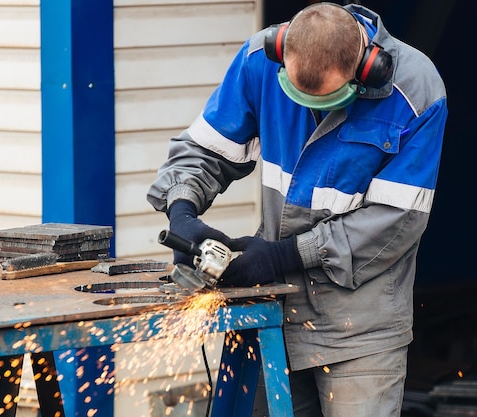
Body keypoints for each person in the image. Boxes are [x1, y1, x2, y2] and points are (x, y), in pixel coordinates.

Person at [147, 2, 447, 416]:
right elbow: (206, 150)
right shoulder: (259, 62)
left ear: (366, 70)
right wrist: (182, 209)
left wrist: (286, 254)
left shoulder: (416, 91)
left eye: (326, 101)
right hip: (270, 310)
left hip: (358, 330)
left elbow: (397, 221)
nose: (312, 114)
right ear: (280, 53)